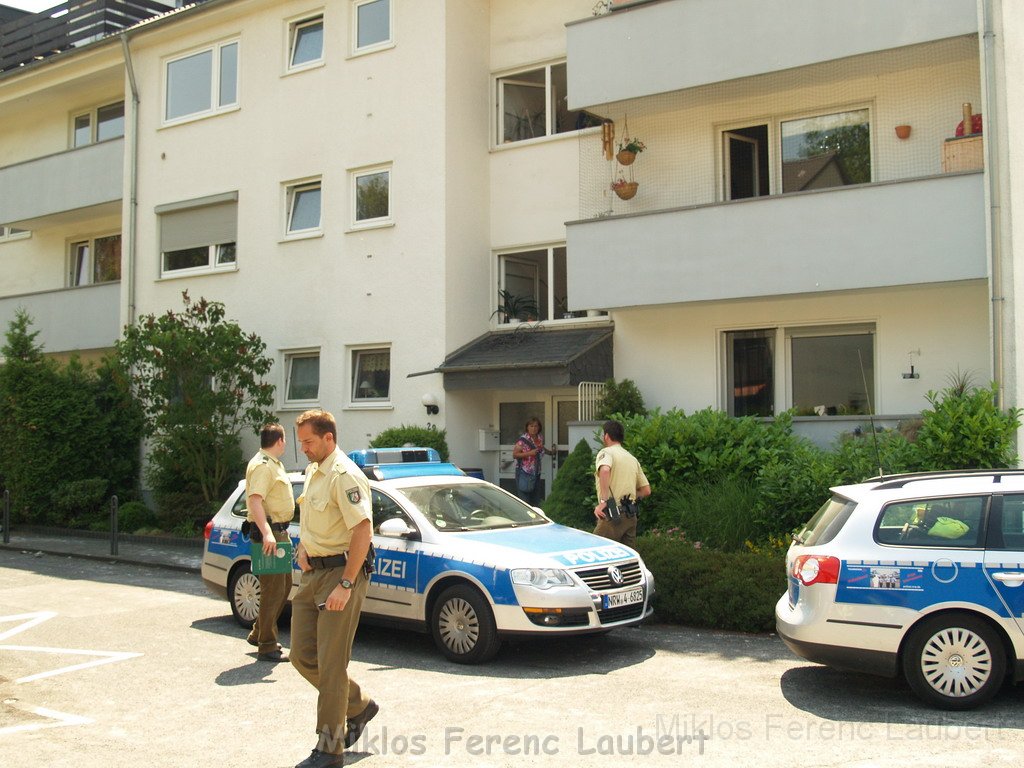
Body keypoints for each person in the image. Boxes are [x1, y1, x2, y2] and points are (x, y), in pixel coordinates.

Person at [290, 410, 379, 768]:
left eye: (309, 442)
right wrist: (302, 546)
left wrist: (346, 583)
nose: (304, 449)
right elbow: (312, 519)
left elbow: (362, 530)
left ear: (329, 438)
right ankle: (358, 704)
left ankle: (330, 751)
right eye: (301, 443)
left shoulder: (345, 475)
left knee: (331, 666)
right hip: (313, 573)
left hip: (341, 574)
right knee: (300, 656)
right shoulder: (315, 471)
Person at [245, 423, 294, 662]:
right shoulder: (263, 466)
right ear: (280, 441)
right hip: (270, 535)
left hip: (278, 533)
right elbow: (255, 501)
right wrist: (267, 533)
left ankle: (259, 631)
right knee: (273, 590)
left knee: (282, 586)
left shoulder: (271, 463)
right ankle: (267, 644)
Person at [592, 419, 651, 547]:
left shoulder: (606, 452)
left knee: (595, 552)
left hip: (612, 514)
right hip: (630, 516)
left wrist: (603, 502)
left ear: (606, 436)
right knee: (626, 558)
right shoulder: (632, 458)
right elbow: (646, 490)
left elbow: (605, 470)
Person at [512, 417, 552, 505]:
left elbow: (540, 448)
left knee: (535, 498)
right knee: (524, 500)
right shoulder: (522, 440)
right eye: (531, 426)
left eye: (536, 426)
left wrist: (551, 452)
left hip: (536, 472)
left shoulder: (539, 437)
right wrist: (529, 453)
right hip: (524, 472)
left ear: (539, 427)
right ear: (527, 427)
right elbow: (515, 454)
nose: (534, 428)